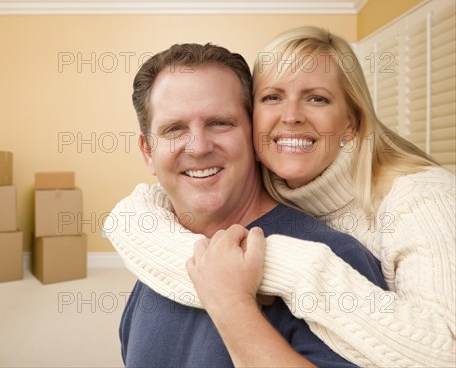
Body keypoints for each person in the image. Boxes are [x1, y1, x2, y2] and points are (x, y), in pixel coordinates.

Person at [106, 27, 456, 367]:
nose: (198, 147)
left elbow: (444, 352)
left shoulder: (410, 206)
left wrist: (253, 289)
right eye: (174, 129)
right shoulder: (162, 248)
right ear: (148, 152)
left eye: (220, 123)